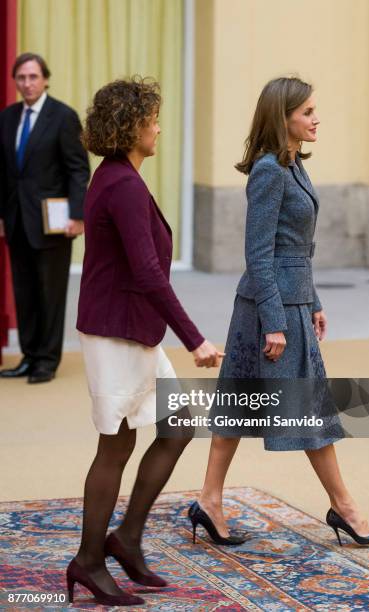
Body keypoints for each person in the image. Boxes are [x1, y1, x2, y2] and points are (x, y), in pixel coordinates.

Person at [189, 77, 369, 549]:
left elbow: (297, 248)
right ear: (283, 119)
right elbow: (258, 253)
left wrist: (314, 300)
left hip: (289, 302)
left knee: (241, 409)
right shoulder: (268, 171)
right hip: (268, 310)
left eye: (315, 110)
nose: (316, 118)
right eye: (307, 112)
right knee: (308, 409)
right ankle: (346, 509)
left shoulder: (292, 164)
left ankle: (209, 500)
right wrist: (276, 321)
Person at [67, 76, 223, 607]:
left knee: (177, 427)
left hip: (132, 329)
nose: (158, 126)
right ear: (131, 126)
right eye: (152, 117)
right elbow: (152, 273)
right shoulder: (123, 185)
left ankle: (126, 538)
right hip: (116, 333)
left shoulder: (115, 176)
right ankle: (88, 561)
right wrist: (196, 339)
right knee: (115, 446)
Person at [0, 53, 90, 383]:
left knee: (49, 291)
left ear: (46, 79)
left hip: (54, 222)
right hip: (16, 220)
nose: (27, 83)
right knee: (23, 292)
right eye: (21, 78)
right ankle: (29, 355)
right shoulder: (7, 118)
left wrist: (78, 216)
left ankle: (47, 361)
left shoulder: (63, 116)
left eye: (33, 77)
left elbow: (78, 169)